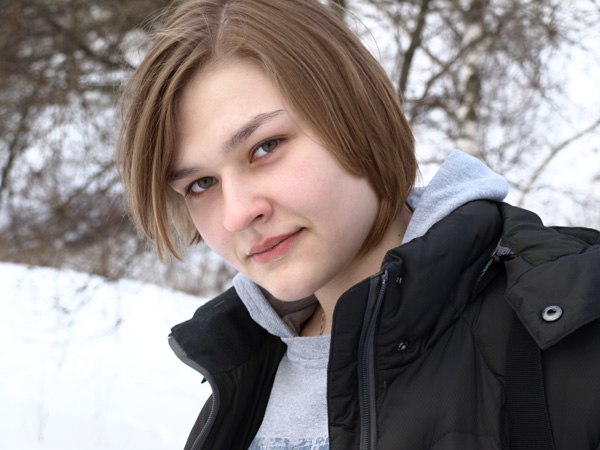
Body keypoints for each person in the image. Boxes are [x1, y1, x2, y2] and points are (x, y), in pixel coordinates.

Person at [116, 0, 600, 449]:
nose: (237, 214)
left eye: (265, 147)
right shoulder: (240, 380)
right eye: (201, 184)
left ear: (357, 116)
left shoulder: (569, 330)